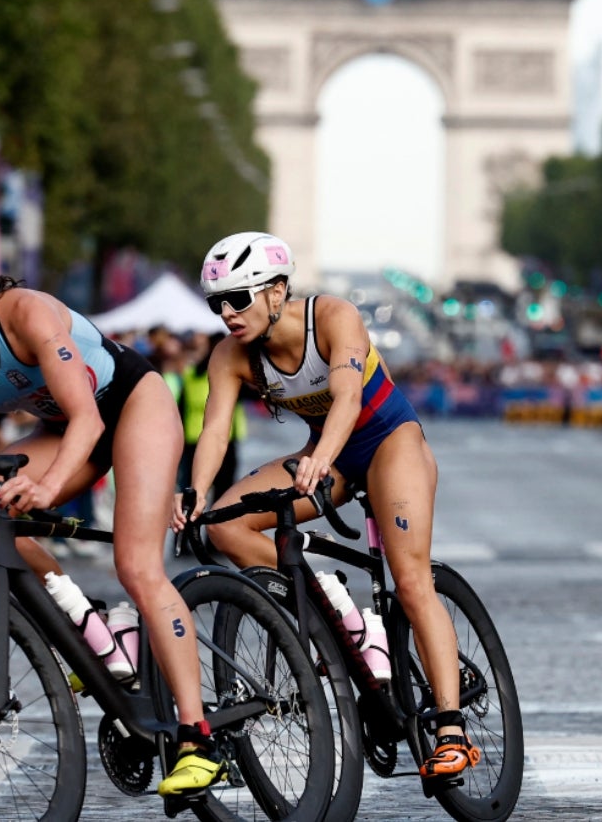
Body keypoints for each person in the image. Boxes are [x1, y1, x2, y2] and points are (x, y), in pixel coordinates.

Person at [0, 224, 224, 795]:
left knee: (137, 565)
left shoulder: (26, 314)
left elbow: (89, 418)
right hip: (63, 428)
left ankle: (198, 737)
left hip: (127, 406)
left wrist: (50, 487)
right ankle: (86, 623)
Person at [174, 231, 482, 781]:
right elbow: (215, 431)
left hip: (389, 440)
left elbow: (347, 397)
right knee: (228, 523)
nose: (227, 313)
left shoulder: (334, 317)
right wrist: (196, 492)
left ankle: (452, 731)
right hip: (327, 452)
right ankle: (327, 615)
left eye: (238, 298)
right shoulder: (229, 355)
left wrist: (319, 459)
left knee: (410, 581)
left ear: (277, 292)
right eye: (216, 302)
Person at [176, 330, 247, 499]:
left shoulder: (191, 372)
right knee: (223, 493)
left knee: (192, 492)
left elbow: (180, 407)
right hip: (224, 438)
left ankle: (189, 524)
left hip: (193, 438)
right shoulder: (230, 373)